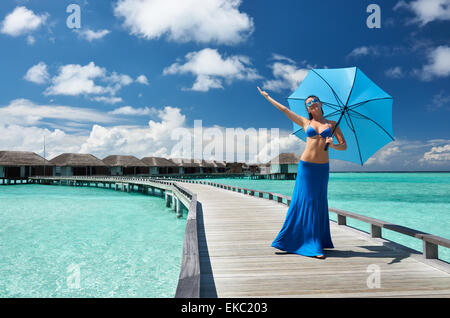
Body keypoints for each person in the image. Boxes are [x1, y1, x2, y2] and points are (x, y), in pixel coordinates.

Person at [257, 86, 347, 259]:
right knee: (306, 201)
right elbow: (284, 110)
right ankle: (310, 245)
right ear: (307, 109)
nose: (312, 104)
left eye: (314, 101)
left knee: (318, 202)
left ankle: (318, 240)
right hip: (306, 167)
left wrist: (333, 143)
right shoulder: (306, 123)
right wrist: (268, 97)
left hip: (322, 169)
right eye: (309, 104)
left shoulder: (333, 124)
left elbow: (344, 146)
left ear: (321, 104)